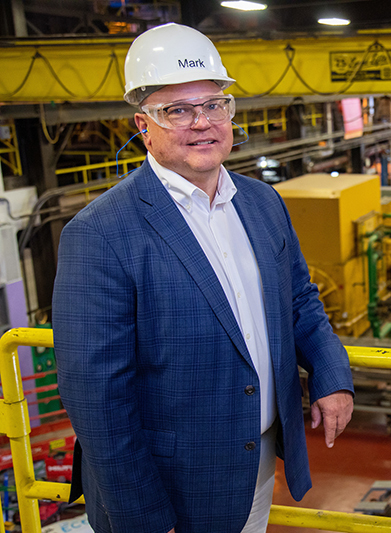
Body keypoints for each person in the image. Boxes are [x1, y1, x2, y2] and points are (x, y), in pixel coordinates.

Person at [52, 23, 354, 533]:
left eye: (214, 105)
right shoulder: (101, 233)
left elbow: (299, 298)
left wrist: (330, 374)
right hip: (168, 487)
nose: (203, 123)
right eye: (178, 110)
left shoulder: (262, 203)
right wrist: (146, 519)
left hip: (254, 466)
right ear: (143, 125)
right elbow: (99, 400)